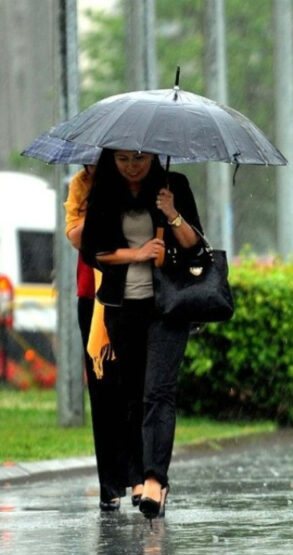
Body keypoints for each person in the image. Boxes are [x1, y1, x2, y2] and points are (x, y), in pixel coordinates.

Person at [81, 149, 203, 520]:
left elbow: (195, 246)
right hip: (123, 309)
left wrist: (171, 213)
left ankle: (154, 481)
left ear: (153, 156)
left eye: (139, 157)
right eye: (122, 159)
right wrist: (135, 255)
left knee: (159, 392)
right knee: (132, 393)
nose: (132, 165)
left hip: (167, 307)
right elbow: (92, 251)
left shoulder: (174, 185)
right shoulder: (104, 191)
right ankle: (137, 474)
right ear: (110, 161)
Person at [64, 164, 133, 512]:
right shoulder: (83, 184)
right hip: (92, 297)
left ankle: (141, 478)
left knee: (134, 389)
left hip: (135, 294)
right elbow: (75, 235)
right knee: (102, 390)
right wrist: (102, 213)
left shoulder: (139, 180)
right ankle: (110, 485)